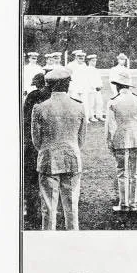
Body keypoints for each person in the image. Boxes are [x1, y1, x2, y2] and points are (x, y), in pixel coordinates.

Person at [30, 66, 86, 230]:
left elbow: (36, 141)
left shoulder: (40, 108)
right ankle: (73, 239)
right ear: (67, 84)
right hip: (72, 157)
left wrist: (48, 149)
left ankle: (48, 242)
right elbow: (81, 139)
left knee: (48, 207)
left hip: (48, 158)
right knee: (71, 206)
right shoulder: (78, 106)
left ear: (50, 85)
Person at [106, 66, 137, 213]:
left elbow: (110, 126)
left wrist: (110, 142)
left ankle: (124, 203)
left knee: (122, 172)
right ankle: (134, 203)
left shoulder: (113, 101)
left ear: (118, 86)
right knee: (136, 172)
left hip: (121, 139)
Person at [23, 70, 51, 226]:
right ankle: (44, 208)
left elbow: (26, 119)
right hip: (45, 141)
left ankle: (31, 208)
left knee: (31, 177)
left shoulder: (33, 96)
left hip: (32, 141)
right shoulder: (49, 96)